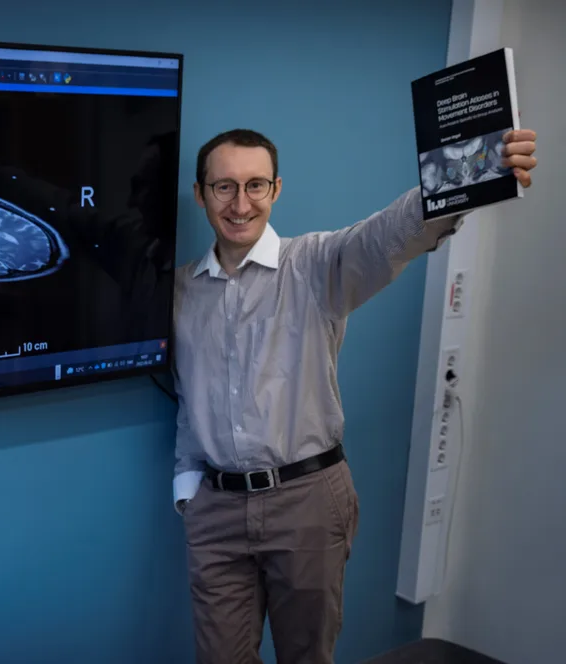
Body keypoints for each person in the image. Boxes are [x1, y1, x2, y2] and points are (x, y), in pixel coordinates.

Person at [171, 127, 539, 663]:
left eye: (255, 185)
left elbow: (391, 233)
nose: (241, 203)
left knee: (307, 656)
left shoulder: (317, 264)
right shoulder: (181, 290)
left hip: (306, 502)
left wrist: (479, 168)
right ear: (202, 194)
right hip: (216, 511)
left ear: (276, 190)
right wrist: (188, 488)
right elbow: (189, 395)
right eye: (224, 187)